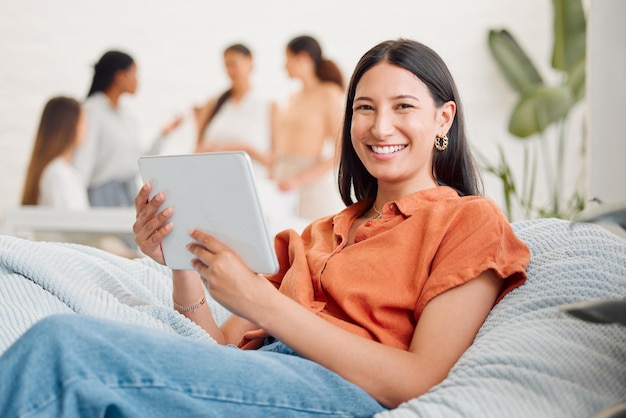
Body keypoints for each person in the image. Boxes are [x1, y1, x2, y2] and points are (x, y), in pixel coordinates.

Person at [0, 39, 531, 417]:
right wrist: (181, 257)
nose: (379, 126)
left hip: (335, 391)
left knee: (63, 348)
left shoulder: (468, 220)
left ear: (443, 119)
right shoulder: (319, 233)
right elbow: (219, 349)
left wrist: (264, 303)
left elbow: (422, 379)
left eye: (403, 107)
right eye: (364, 108)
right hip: (261, 378)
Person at [73, 50, 182, 207]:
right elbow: (83, 158)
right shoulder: (91, 110)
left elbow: (138, 160)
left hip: (128, 195)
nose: (138, 81)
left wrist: (163, 135)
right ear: (120, 76)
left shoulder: (127, 115)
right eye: (134, 74)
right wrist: (77, 205)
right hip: (101, 197)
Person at [271, 35, 346, 220]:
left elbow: (341, 150)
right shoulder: (293, 97)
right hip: (281, 182)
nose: (284, 66)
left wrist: (299, 180)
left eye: (287, 59)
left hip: (309, 184)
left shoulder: (329, 93)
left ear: (303, 58)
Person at [195, 43, 273, 177]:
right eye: (226, 65)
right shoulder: (213, 103)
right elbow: (195, 152)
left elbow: (274, 162)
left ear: (250, 62)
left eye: (234, 63)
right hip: (213, 178)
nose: (231, 70)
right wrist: (208, 149)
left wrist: (244, 149)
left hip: (253, 181)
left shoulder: (269, 105)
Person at [21, 96, 89, 210]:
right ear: (73, 125)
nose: (87, 127)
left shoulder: (60, 171)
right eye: (84, 121)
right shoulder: (58, 174)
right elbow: (73, 223)